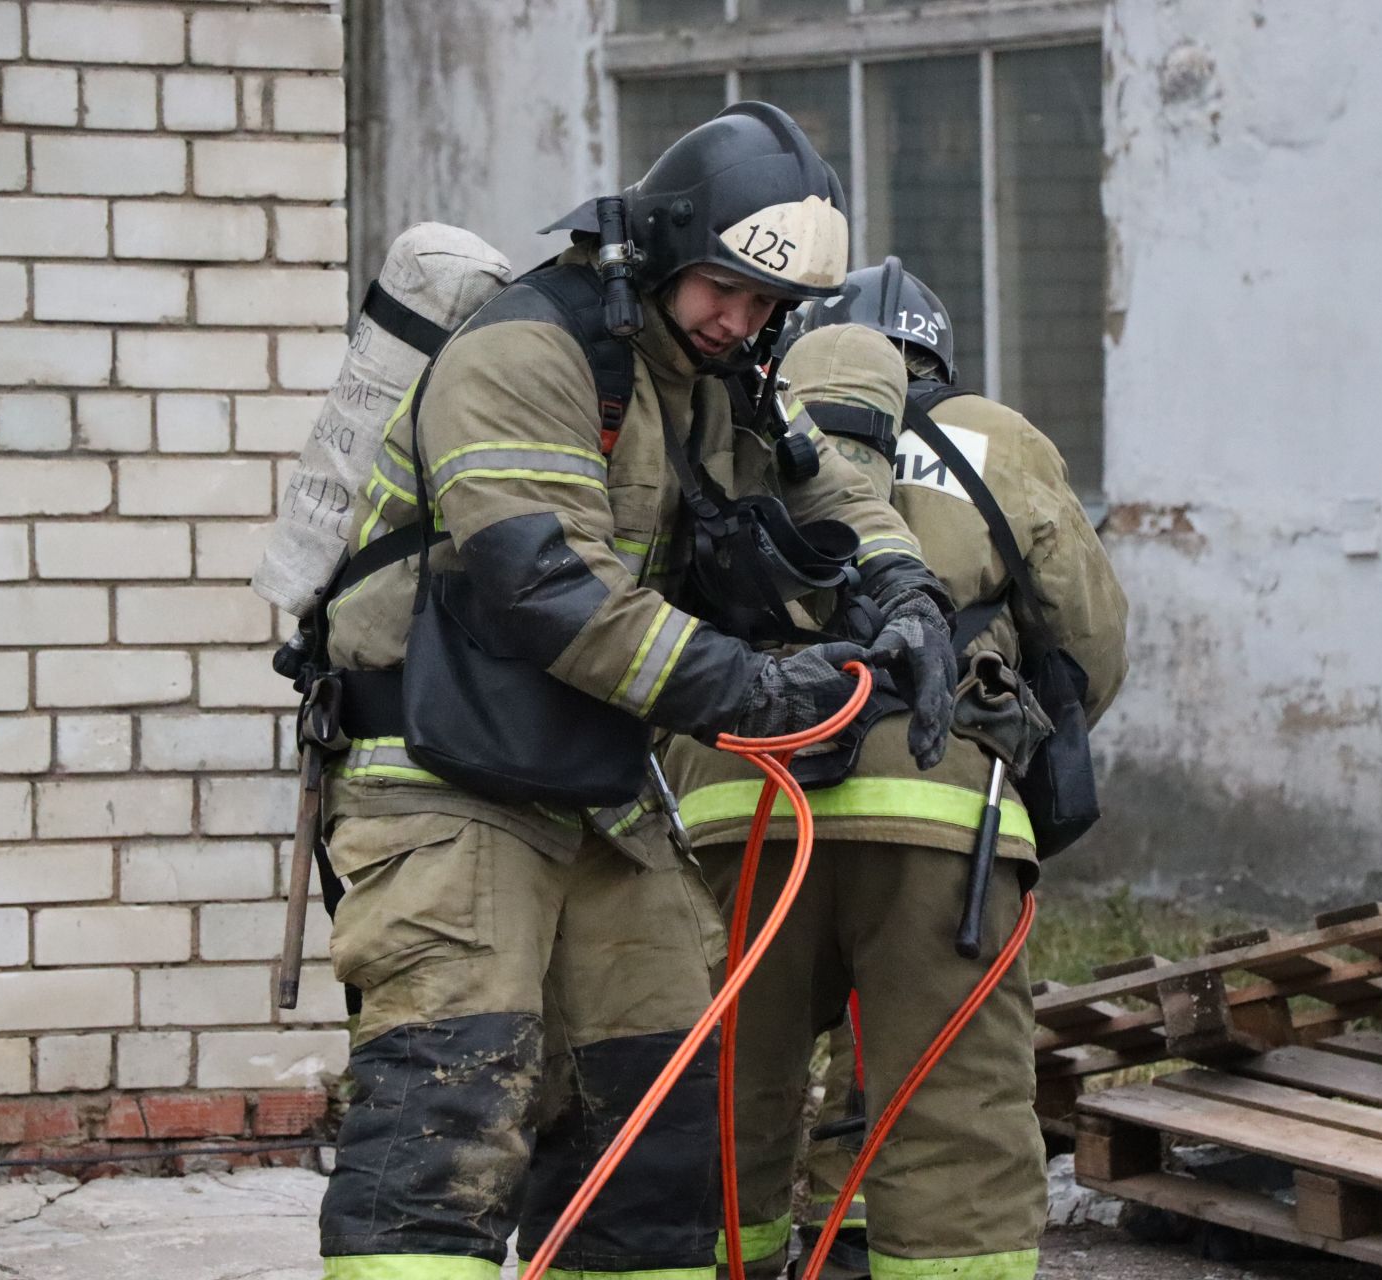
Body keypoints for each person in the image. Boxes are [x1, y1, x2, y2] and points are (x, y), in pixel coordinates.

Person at [314, 109, 958, 1280]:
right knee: (451, 1111)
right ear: (663, 245)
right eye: (726, 288)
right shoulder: (525, 354)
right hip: (445, 781)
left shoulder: (715, 373)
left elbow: (832, 492)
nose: (742, 323)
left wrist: (908, 590)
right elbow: (548, 589)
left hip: (597, 781)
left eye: (768, 308)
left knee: (657, 1122)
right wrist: (755, 685)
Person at [662, 258, 1129, 1280]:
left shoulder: (728, 421)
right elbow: (1091, 639)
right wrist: (1006, 741)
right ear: (936, 355)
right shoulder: (997, 440)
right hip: (942, 822)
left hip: (740, 800)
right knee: (952, 1101)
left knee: (724, 1091)